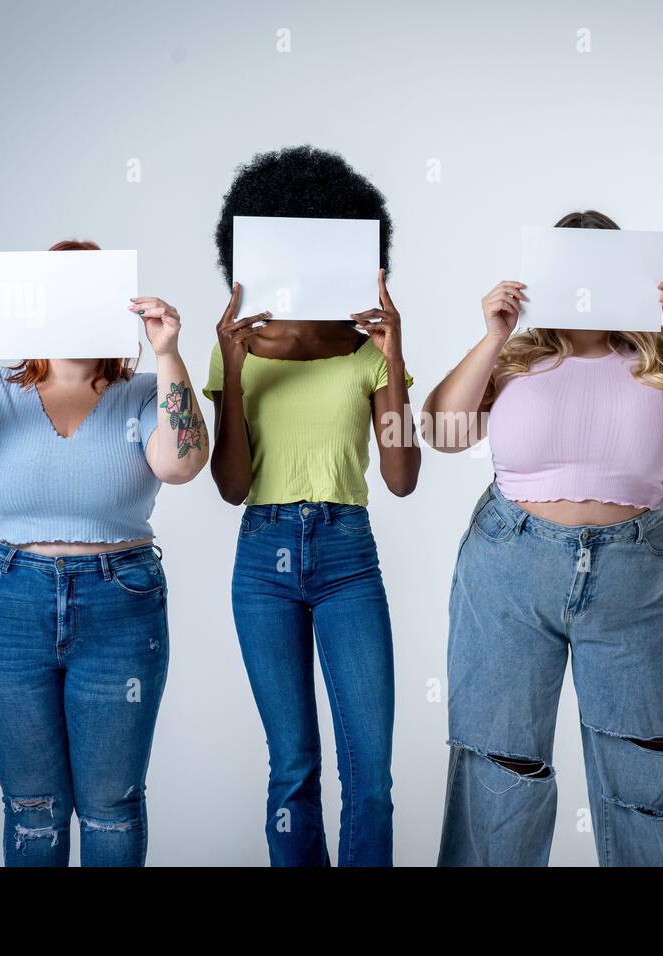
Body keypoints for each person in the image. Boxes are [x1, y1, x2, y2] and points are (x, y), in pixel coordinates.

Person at [423, 210, 663, 866]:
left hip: (634, 575)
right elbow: (444, 432)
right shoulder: (515, 357)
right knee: (500, 760)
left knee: (647, 761)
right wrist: (492, 335)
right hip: (511, 565)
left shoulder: (660, 358)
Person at [0, 239, 209, 865]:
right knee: (32, 807)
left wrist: (170, 351)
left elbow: (180, 464)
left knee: (113, 806)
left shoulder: (147, 391)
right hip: (10, 602)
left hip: (121, 603)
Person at [206, 146, 420, 866]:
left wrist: (392, 359)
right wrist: (234, 370)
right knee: (292, 769)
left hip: (347, 554)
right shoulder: (236, 351)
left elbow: (401, 475)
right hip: (261, 558)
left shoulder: (365, 352)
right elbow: (231, 484)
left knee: (371, 777)